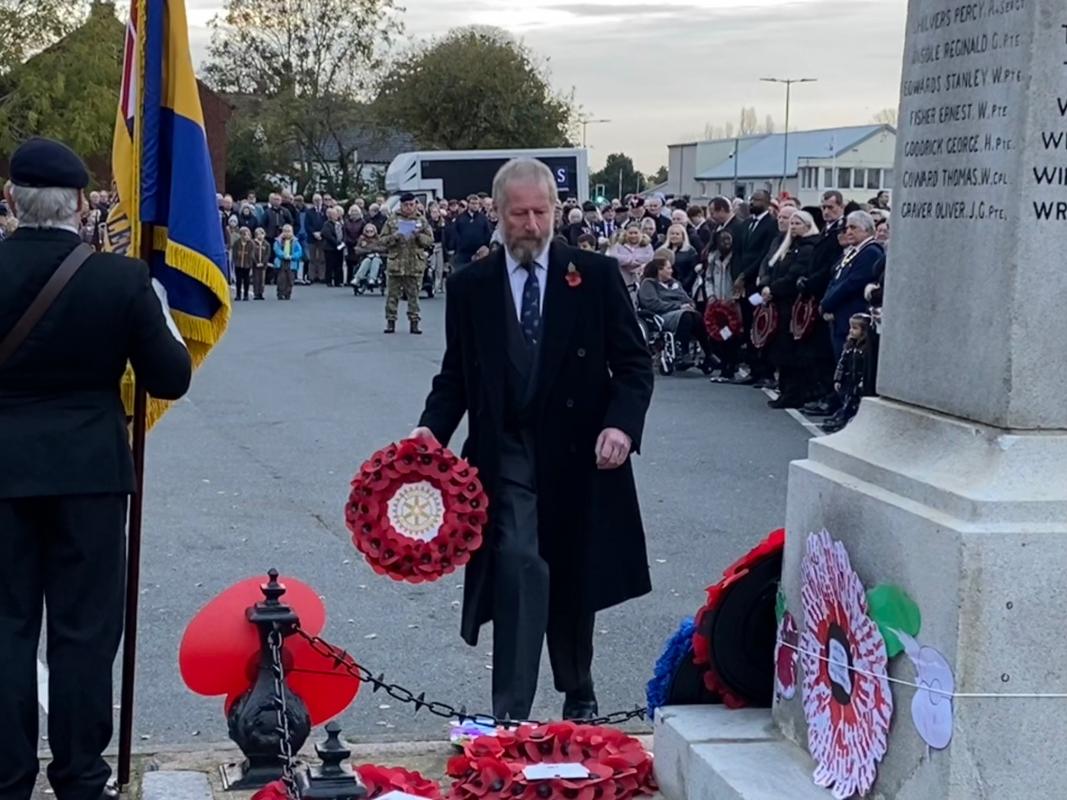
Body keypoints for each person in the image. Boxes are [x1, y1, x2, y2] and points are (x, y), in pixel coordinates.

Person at [411, 158, 653, 722]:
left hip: (580, 453)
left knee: (572, 570)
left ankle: (578, 686)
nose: (531, 224)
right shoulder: (471, 286)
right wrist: (431, 429)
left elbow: (634, 365)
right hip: (506, 453)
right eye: (518, 213)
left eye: (541, 212)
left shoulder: (593, 276)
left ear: (556, 211)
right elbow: (456, 375)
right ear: (497, 215)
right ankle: (511, 711)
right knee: (520, 562)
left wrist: (621, 425)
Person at [0, 137, 192, 800]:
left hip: (3, 474)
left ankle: (7, 777)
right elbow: (172, 375)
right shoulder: (120, 278)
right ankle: (82, 776)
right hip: (89, 474)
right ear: (82, 205)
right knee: (84, 635)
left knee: (5, 628)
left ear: (10, 199)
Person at [760, 210, 819, 408]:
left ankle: (793, 393)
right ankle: (785, 390)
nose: (793, 226)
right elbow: (772, 268)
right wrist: (767, 286)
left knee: (791, 352)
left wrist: (773, 289)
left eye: (797, 223)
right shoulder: (789, 246)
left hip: (793, 305)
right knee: (781, 350)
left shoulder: (808, 248)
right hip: (779, 302)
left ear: (807, 225)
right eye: (791, 223)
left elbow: (795, 275)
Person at [820, 210, 885, 360]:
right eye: (847, 228)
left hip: (852, 316)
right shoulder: (852, 252)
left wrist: (828, 303)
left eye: (853, 228)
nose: (848, 231)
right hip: (839, 316)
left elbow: (851, 284)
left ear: (867, 229)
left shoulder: (871, 252)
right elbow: (836, 277)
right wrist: (826, 301)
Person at [637, 256, 709, 370]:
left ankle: (709, 354)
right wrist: (679, 306)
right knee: (686, 316)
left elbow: (687, 299)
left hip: (681, 312)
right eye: (669, 268)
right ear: (659, 270)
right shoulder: (648, 284)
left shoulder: (675, 283)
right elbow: (653, 304)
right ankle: (683, 353)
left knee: (697, 316)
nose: (672, 271)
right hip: (660, 315)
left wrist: (689, 305)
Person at [379, 193, 433, 334]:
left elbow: (429, 240)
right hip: (396, 262)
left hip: (414, 263)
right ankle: (391, 321)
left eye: (411, 204)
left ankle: (414, 322)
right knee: (392, 295)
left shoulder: (421, 220)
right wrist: (394, 237)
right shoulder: (392, 220)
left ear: (415, 204)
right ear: (401, 205)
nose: (408, 208)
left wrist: (418, 235)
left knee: (414, 295)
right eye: (405, 205)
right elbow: (382, 240)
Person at [823, 313, 871, 433]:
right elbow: (842, 363)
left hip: (858, 380)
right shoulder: (849, 346)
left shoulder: (865, 350)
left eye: (855, 328)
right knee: (847, 398)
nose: (851, 331)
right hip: (848, 379)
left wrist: (862, 381)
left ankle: (850, 419)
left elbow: (866, 368)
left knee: (855, 401)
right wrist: (838, 379)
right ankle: (843, 416)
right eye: (851, 328)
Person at [606, 223, 654, 294]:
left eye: (635, 233)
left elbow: (649, 258)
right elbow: (614, 257)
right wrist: (632, 259)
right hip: (623, 278)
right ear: (626, 233)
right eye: (630, 233)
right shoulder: (619, 245)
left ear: (641, 233)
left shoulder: (647, 245)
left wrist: (630, 260)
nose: (633, 235)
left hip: (641, 277)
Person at [451, 194, 493, 271]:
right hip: (463, 254)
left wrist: (485, 246)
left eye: (477, 203)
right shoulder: (460, 218)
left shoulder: (483, 218)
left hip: (479, 253)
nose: (475, 206)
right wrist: (458, 246)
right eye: (473, 203)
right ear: (468, 204)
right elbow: (455, 233)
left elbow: (488, 233)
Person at [663, 224, 699, 292]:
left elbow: (692, 272)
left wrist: (683, 285)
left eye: (677, 234)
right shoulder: (663, 250)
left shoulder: (690, 251)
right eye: (672, 234)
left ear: (683, 236)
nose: (674, 236)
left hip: (684, 286)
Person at [352, 223, 386, 291]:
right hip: (366, 257)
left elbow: (384, 248)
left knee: (375, 260)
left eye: (371, 231)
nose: (369, 233)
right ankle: (357, 278)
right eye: (367, 231)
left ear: (374, 231)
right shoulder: (362, 239)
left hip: (378, 257)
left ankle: (372, 278)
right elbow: (357, 249)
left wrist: (372, 249)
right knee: (367, 261)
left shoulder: (379, 239)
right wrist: (368, 251)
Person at [303, 193, 328, 284]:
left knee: (322, 258)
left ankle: (322, 276)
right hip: (311, 237)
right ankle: (311, 276)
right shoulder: (309, 212)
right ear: (313, 201)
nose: (317, 202)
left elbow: (327, 223)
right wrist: (314, 233)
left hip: (323, 237)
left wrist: (321, 233)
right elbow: (307, 225)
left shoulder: (326, 211)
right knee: (312, 258)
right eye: (315, 200)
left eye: (319, 200)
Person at [272, 224, 302, 300]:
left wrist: (293, 256)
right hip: (282, 262)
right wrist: (283, 255)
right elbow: (276, 249)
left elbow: (299, 252)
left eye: (289, 231)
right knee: (281, 279)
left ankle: (287, 293)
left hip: (291, 262)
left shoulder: (295, 242)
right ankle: (280, 293)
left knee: (290, 279)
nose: (287, 233)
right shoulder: (278, 241)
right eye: (285, 231)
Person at [321, 206, 346, 287]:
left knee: (339, 265)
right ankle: (328, 281)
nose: (335, 216)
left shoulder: (340, 224)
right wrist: (337, 243)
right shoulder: (326, 224)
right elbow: (327, 235)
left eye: (336, 214)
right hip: (330, 248)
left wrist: (343, 242)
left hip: (340, 248)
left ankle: (338, 281)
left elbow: (344, 233)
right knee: (330, 265)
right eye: (333, 214)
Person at [231, 225, 255, 301]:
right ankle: (238, 295)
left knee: (246, 280)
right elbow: (234, 253)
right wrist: (235, 261)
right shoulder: (236, 243)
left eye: (248, 235)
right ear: (241, 235)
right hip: (238, 265)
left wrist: (250, 264)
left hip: (247, 265)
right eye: (245, 235)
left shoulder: (251, 244)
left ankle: (246, 295)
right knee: (238, 280)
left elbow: (252, 254)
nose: (247, 236)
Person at [251, 227, 271, 300]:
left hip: (263, 265)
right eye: (258, 234)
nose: (260, 236)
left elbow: (267, 254)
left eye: (262, 234)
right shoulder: (252, 243)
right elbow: (252, 254)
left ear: (264, 234)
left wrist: (263, 262)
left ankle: (261, 293)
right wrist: (256, 262)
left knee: (262, 279)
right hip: (255, 265)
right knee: (256, 279)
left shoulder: (267, 244)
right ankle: (256, 293)